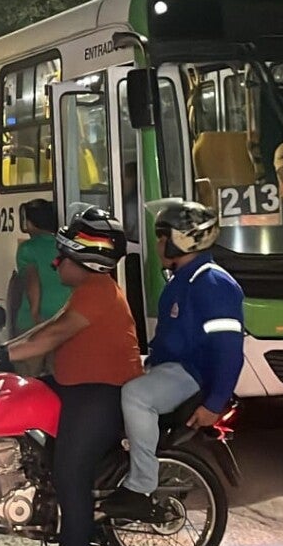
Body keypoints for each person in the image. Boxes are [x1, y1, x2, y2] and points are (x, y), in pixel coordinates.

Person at [0, 205, 142, 546]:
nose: (55, 264)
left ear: (86, 263)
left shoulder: (98, 292)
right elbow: (45, 328)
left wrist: (2, 357)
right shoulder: (88, 290)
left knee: (70, 476)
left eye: (63, 258)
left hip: (100, 394)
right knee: (23, 398)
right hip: (76, 385)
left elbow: (53, 336)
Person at [101, 200, 244, 519]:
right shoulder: (183, 281)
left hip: (192, 374)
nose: (158, 243)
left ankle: (140, 487)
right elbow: (169, 342)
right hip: (172, 367)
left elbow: (229, 350)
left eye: (162, 236)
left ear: (184, 238)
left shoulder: (213, 283)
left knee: (136, 396)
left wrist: (214, 403)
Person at [13, 198, 70, 375]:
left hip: (34, 322)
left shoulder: (28, 248)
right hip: (63, 321)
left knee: (28, 377)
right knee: (58, 374)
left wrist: (35, 312)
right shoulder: (65, 246)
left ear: (30, 223)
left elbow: (32, 281)